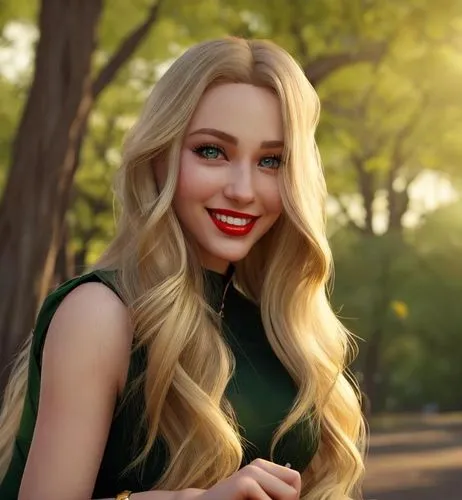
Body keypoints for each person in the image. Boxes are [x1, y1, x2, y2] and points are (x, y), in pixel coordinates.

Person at [0, 37, 366, 500]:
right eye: (212, 151)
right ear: (158, 156)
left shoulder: (284, 328)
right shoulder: (99, 313)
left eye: (271, 161)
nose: (242, 189)